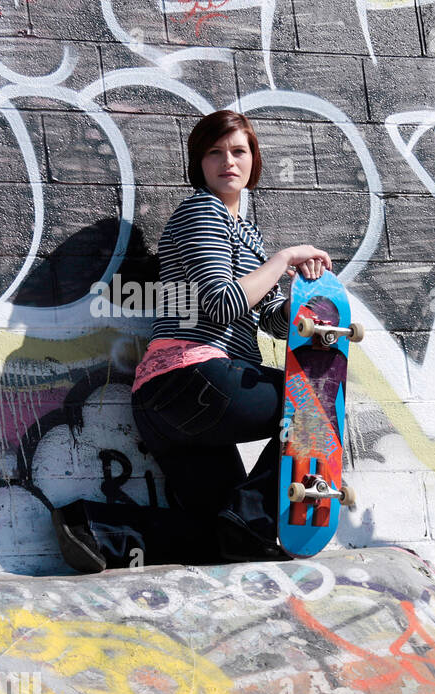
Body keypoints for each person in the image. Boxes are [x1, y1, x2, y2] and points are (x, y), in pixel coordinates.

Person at [52, 110, 332, 571]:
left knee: (220, 536)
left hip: (173, 408)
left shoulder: (249, 236)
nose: (228, 161)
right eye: (214, 152)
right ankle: (252, 518)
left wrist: (308, 302)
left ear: (253, 160)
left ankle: (92, 527)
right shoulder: (201, 211)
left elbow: (272, 322)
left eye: (239, 151)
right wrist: (284, 259)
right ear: (198, 163)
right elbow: (221, 305)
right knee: (315, 404)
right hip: (192, 379)